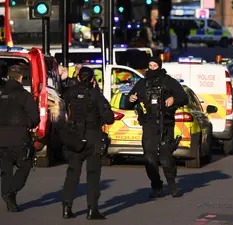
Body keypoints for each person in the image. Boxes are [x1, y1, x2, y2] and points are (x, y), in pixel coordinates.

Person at [126, 57, 188, 198]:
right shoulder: (142, 83)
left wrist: (174, 99)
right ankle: (156, 186)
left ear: (159, 66)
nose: (152, 68)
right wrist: (130, 99)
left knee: (166, 158)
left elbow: (184, 98)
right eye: (150, 65)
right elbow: (127, 103)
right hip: (149, 125)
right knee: (149, 159)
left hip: (165, 124)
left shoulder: (169, 81)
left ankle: (172, 185)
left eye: (155, 65)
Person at [61, 67, 114, 220]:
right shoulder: (96, 95)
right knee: (92, 175)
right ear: (92, 79)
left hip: (74, 136)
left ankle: (66, 207)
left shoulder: (70, 93)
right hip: (93, 138)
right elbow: (109, 118)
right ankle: (92, 210)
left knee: (72, 173)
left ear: (78, 78)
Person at [0, 66, 40, 212]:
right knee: (25, 165)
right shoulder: (24, 95)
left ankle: (7, 195)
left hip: (2, 138)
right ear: (20, 78)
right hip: (19, 137)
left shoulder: (1, 93)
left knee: (6, 169)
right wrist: (29, 124)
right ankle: (11, 191)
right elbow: (35, 117)